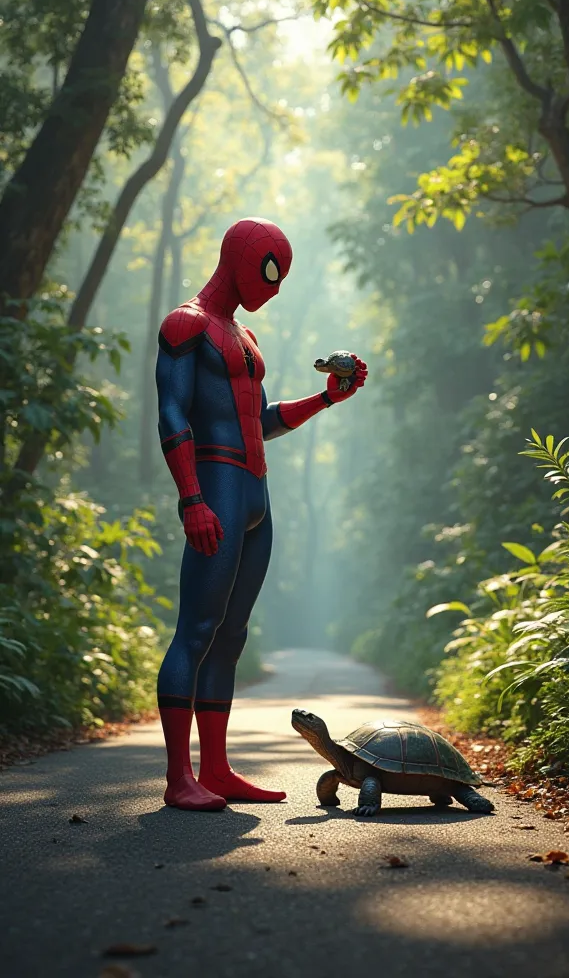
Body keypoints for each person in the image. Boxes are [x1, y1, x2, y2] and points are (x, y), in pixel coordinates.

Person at [155, 217, 368, 810]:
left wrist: (328, 396)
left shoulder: (243, 337)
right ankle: (179, 779)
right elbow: (173, 415)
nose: (275, 287)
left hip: (255, 495)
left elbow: (261, 421)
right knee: (196, 631)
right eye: (270, 270)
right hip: (218, 485)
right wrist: (191, 497)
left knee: (231, 636)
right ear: (241, 258)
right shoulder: (186, 325)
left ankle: (216, 769)